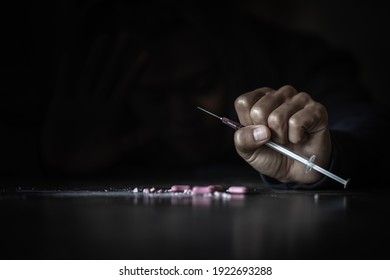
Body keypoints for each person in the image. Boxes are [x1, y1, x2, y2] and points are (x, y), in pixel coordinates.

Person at [4, 0, 388, 189]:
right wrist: (43, 157)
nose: (182, 112)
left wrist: (333, 154)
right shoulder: (68, 104)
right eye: (153, 95)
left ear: (227, 59)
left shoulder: (286, 57)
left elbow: (361, 118)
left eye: (198, 85)